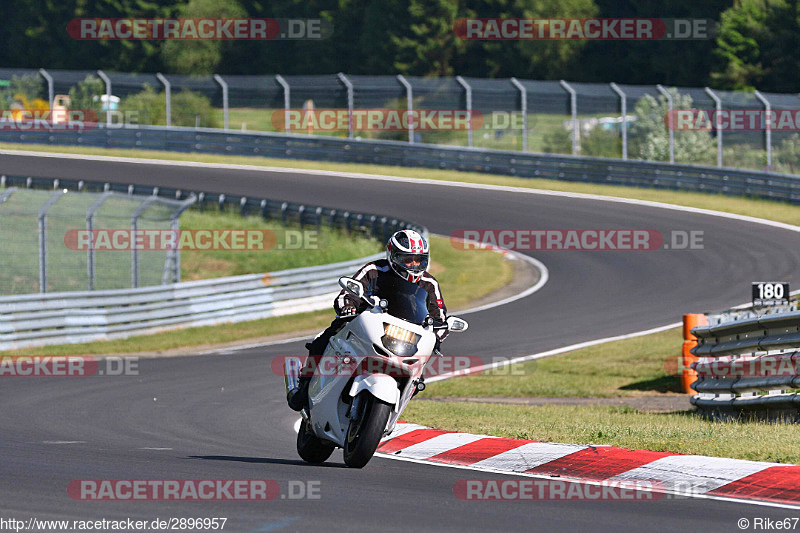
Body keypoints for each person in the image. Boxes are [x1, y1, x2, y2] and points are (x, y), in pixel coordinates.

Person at [287, 229, 448, 411]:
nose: (413, 264)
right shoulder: (374, 270)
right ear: (393, 255)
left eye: (418, 260)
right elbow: (347, 294)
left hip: (406, 337)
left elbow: (440, 318)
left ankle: (388, 413)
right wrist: (348, 307)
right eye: (407, 259)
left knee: (418, 379)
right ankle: (303, 387)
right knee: (322, 341)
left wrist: (436, 335)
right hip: (367, 326)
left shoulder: (430, 283)